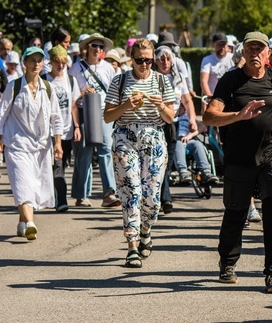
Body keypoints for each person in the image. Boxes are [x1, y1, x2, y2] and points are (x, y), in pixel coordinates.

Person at [203, 32, 272, 293]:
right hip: (240, 157)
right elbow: (209, 117)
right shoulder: (230, 81)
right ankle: (228, 263)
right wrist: (238, 115)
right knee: (235, 213)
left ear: (268, 54)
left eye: (260, 49)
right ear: (243, 52)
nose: (255, 53)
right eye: (251, 48)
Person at [104, 39, 175, 267]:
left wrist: (160, 106)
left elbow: (171, 117)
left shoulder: (162, 81)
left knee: (152, 197)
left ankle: (146, 230)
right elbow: (108, 116)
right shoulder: (120, 80)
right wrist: (126, 105)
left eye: (148, 60)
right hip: (125, 137)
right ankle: (132, 245)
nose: (144, 64)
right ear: (131, 58)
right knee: (130, 192)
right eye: (139, 60)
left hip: (154, 137)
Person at [0, 47, 63, 240]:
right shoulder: (14, 86)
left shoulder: (47, 87)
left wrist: (58, 143)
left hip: (41, 146)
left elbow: (56, 117)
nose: (36, 64)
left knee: (32, 185)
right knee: (22, 184)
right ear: (24, 63)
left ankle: (21, 221)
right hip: (16, 144)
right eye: (32, 60)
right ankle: (30, 223)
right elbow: (1, 115)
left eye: (39, 60)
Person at [69, 33, 119, 208]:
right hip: (83, 110)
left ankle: (109, 193)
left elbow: (114, 92)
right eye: (94, 46)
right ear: (87, 48)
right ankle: (81, 195)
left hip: (104, 112)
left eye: (100, 47)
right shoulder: (76, 68)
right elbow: (71, 96)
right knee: (84, 153)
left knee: (105, 149)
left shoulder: (108, 68)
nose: (98, 49)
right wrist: (83, 93)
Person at [154, 45, 200, 214]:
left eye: (168, 58)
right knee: (157, 162)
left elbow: (187, 101)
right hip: (156, 123)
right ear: (156, 61)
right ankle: (163, 199)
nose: (165, 62)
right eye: (161, 59)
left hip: (172, 124)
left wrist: (192, 119)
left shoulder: (177, 77)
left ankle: (164, 199)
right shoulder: (152, 77)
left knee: (167, 162)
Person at [44, 46, 81, 212]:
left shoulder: (70, 80)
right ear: (51, 62)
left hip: (66, 129)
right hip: (49, 130)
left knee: (62, 165)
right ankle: (61, 201)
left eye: (63, 63)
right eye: (57, 62)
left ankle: (51, 196)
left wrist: (77, 126)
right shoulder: (44, 80)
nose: (60, 66)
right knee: (57, 165)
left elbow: (73, 105)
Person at [200, 33, 234, 101]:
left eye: (223, 45)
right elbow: (203, 81)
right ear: (213, 45)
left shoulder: (233, 58)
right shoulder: (207, 60)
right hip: (214, 97)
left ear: (227, 45)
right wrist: (209, 96)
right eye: (219, 45)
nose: (222, 48)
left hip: (230, 98)